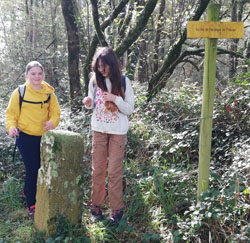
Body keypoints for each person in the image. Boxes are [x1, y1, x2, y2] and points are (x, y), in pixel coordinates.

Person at [83, 47, 134, 223]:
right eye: (98, 67)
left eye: (105, 66)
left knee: (114, 172)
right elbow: (91, 104)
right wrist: (88, 102)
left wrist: (115, 99)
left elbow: (130, 108)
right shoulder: (94, 81)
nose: (101, 70)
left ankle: (117, 211)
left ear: (112, 65)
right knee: (97, 170)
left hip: (118, 132)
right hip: (98, 130)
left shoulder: (124, 81)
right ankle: (96, 206)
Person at [5, 61, 60, 218]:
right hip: (25, 136)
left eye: (39, 73)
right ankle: (31, 203)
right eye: (33, 73)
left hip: (44, 137)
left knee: (41, 167)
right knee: (32, 169)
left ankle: (26, 191)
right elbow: (11, 114)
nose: (37, 76)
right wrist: (11, 128)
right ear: (26, 75)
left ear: (43, 75)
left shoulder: (49, 93)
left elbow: (56, 113)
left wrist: (52, 122)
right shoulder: (20, 92)